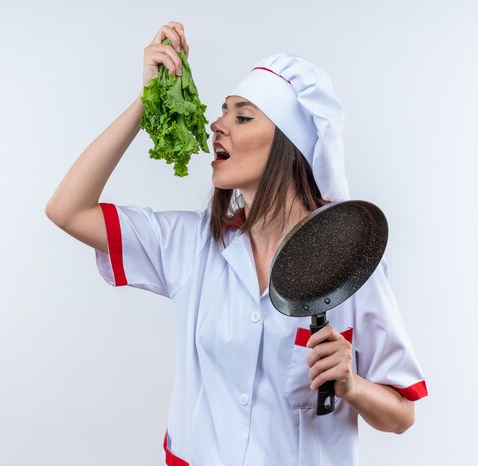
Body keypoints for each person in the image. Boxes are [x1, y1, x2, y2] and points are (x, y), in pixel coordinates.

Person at [45, 21, 427, 466]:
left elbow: (402, 414)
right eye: (223, 112)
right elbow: (66, 210)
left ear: (290, 145)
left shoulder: (349, 261)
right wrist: (146, 102)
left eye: (242, 116)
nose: (216, 125)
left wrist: (350, 384)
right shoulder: (191, 245)